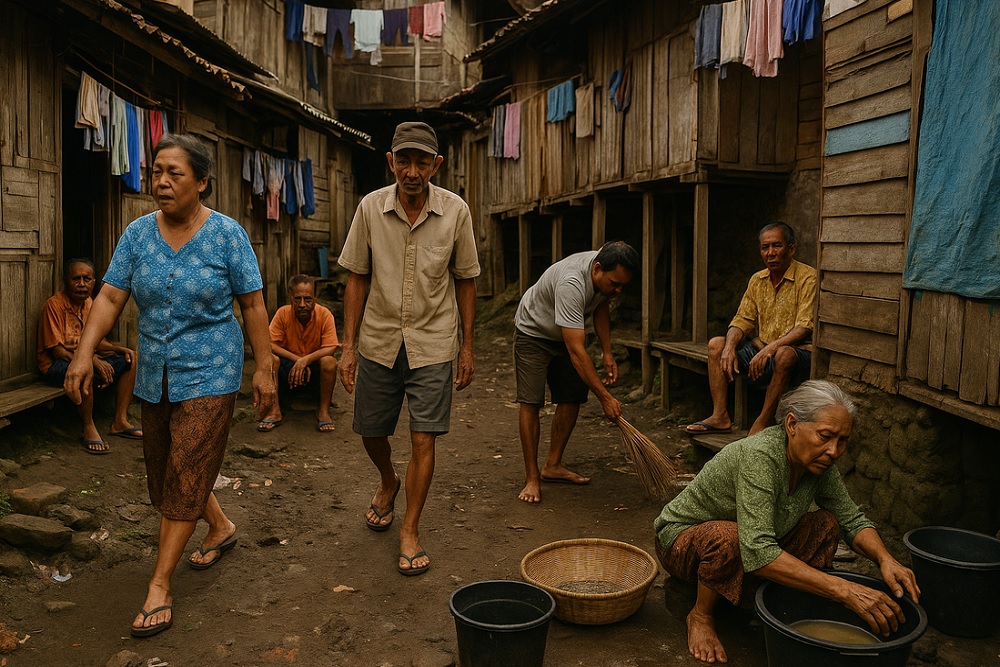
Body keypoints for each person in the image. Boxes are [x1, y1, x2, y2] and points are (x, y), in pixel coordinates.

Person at [64, 134, 275, 638]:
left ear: (202, 181)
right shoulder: (137, 234)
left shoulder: (227, 235)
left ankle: (160, 584)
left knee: (186, 466)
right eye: (156, 171)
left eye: (174, 173)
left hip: (212, 369)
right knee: (165, 476)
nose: (161, 182)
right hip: (156, 371)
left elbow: (252, 304)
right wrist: (83, 352)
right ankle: (220, 526)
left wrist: (264, 366)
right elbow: (112, 297)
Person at [655, 380, 920, 664]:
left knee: (826, 525)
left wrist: (886, 559)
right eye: (825, 436)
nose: (834, 450)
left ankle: (776, 603)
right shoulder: (760, 456)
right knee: (728, 537)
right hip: (681, 542)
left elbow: (850, 519)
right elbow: (757, 550)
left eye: (842, 441)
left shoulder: (819, 463)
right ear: (792, 424)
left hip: (750, 545)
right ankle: (701, 614)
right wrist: (843, 590)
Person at [338, 121, 479, 576]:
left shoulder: (456, 211)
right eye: (404, 160)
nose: (412, 171)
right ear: (391, 162)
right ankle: (387, 479)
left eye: (422, 161)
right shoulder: (369, 208)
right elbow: (357, 275)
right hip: (378, 338)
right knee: (369, 430)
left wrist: (467, 346)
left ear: (436, 164)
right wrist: (347, 346)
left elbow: (466, 279)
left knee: (424, 437)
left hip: (434, 340)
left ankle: (410, 529)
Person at [514, 241, 638, 504]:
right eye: (614, 283)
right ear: (596, 269)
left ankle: (552, 465)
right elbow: (577, 352)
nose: (617, 290)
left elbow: (601, 305)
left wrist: (607, 351)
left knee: (572, 396)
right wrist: (605, 397)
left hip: (565, 334)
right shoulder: (572, 283)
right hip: (534, 332)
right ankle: (532, 477)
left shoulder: (606, 269)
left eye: (622, 286)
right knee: (531, 401)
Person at [686, 222, 816, 436]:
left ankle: (761, 423)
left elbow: (804, 327)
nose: (771, 253)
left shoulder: (808, 277)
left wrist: (768, 350)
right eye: (765, 247)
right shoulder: (758, 279)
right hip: (762, 351)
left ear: (791, 249)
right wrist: (729, 347)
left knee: (784, 354)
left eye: (777, 246)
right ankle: (720, 416)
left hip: (796, 354)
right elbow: (742, 320)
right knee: (716, 345)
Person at [37, 258, 141, 454]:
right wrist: (91, 360)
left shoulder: (89, 303)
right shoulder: (54, 305)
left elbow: (96, 342)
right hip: (55, 365)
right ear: (65, 281)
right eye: (76, 279)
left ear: (95, 282)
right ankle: (88, 426)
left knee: (131, 359)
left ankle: (120, 420)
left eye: (87, 279)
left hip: (85, 358)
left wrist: (119, 350)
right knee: (86, 369)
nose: (82, 284)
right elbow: (57, 351)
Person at [258, 274, 339, 433]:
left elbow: (331, 347)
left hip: (314, 371)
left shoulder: (325, 315)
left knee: (329, 361)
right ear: (291, 298)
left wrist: (306, 361)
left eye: (308, 299)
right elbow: (270, 345)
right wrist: (298, 360)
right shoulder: (282, 314)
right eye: (298, 299)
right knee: (270, 359)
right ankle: (274, 410)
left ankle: (323, 411)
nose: (302, 304)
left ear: (315, 298)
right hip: (288, 370)